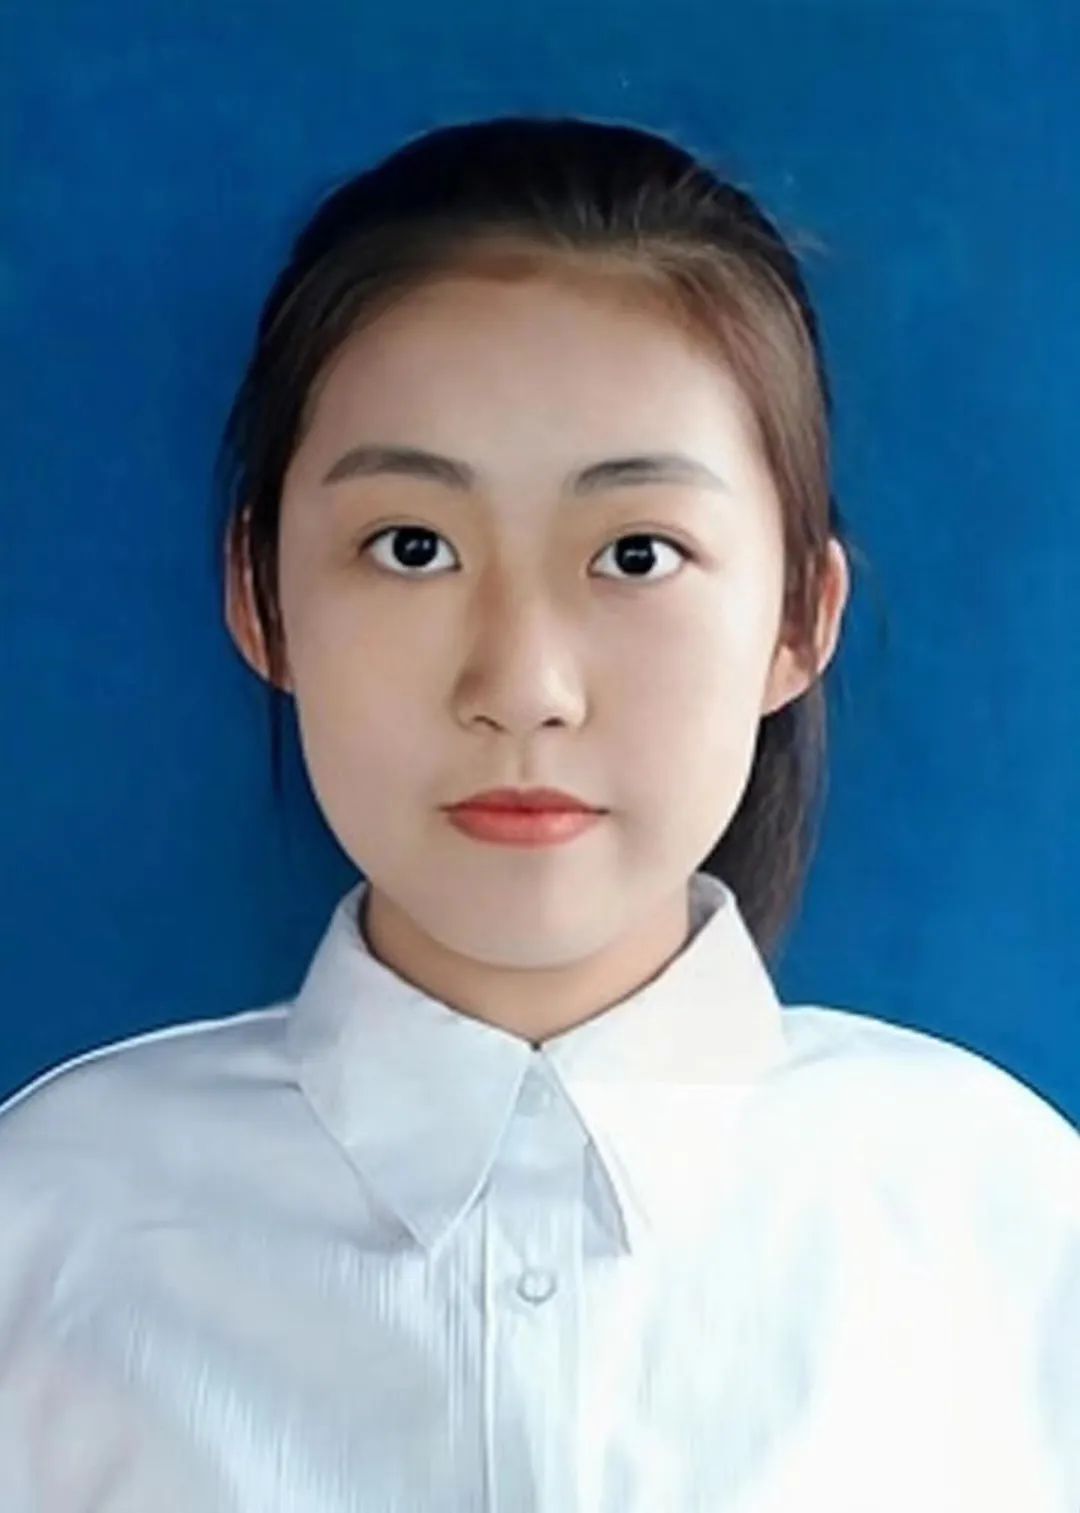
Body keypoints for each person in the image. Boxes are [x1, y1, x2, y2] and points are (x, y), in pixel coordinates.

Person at [0, 114, 1076, 1512]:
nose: (521, 686)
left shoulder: (1010, 1228)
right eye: (412, 547)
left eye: (637, 553)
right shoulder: (51, 1230)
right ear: (264, 599)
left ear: (798, 620)